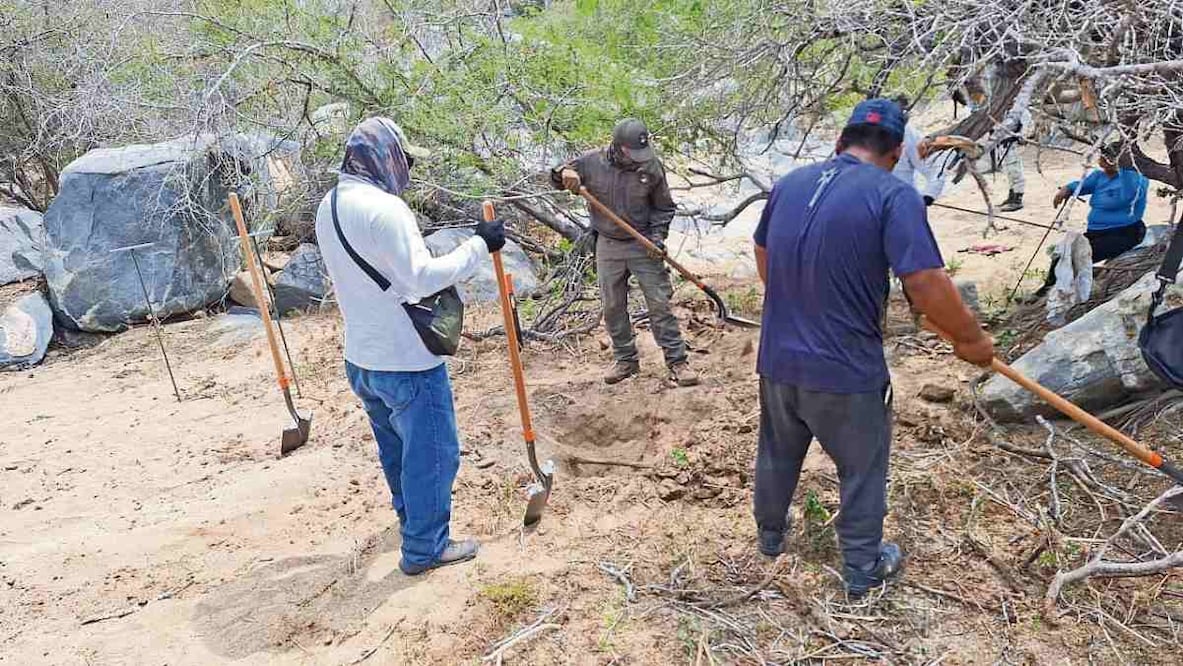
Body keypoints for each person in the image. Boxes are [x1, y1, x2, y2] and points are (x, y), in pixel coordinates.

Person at [751, 99, 994, 597]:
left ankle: (770, 537)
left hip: (778, 359)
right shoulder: (894, 194)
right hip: (845, 370)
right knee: (863, 466)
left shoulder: (789, 184)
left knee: (777, 449)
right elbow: (924, 281)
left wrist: (798, 300)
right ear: (897, 152)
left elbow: (763, 252)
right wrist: (970, 339)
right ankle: (863, 568)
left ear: (840, 141)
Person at [314, 117, 506, 575]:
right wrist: (479, 246)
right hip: (406, 359)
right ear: (386, 157)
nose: (408, 169)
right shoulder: (386, 209)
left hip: (361, 357)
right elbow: (420, 280)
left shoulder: (329, 204)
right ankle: (424, 548)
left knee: (397, 449)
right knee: (433, 454)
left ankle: (411, 520)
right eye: (406, 160)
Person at [552, 118, 699, 387]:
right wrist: (564, 173)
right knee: (612, 306)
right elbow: (557, 176)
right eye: (633, 153)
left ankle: (677, 361)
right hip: (608, 243)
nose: (638, 158)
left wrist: (657, 238)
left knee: (659, 303)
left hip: (643, 242)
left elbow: (664, 208)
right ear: (618, 147)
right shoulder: (591, 162)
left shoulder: (651, 167)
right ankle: (625, 360)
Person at [1035, 143, 1149, 296]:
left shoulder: (1136, 179)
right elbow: (1081, 185)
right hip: (1097, 233)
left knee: (1077, 256)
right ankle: (1047, 289)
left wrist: (1124, 168)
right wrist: (1067, 189)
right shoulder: (1099, 176)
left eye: (1107, 158)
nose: (1101, 161)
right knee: (1062, 253)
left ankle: (1059, 293)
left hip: (1125, 233)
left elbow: (1128, 197)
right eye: (1102, 157)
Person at [891, 95, 946, 206]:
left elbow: (934, 168)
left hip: (903, 204)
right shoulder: (862, 135)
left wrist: (929, 195)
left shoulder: (909, 134)